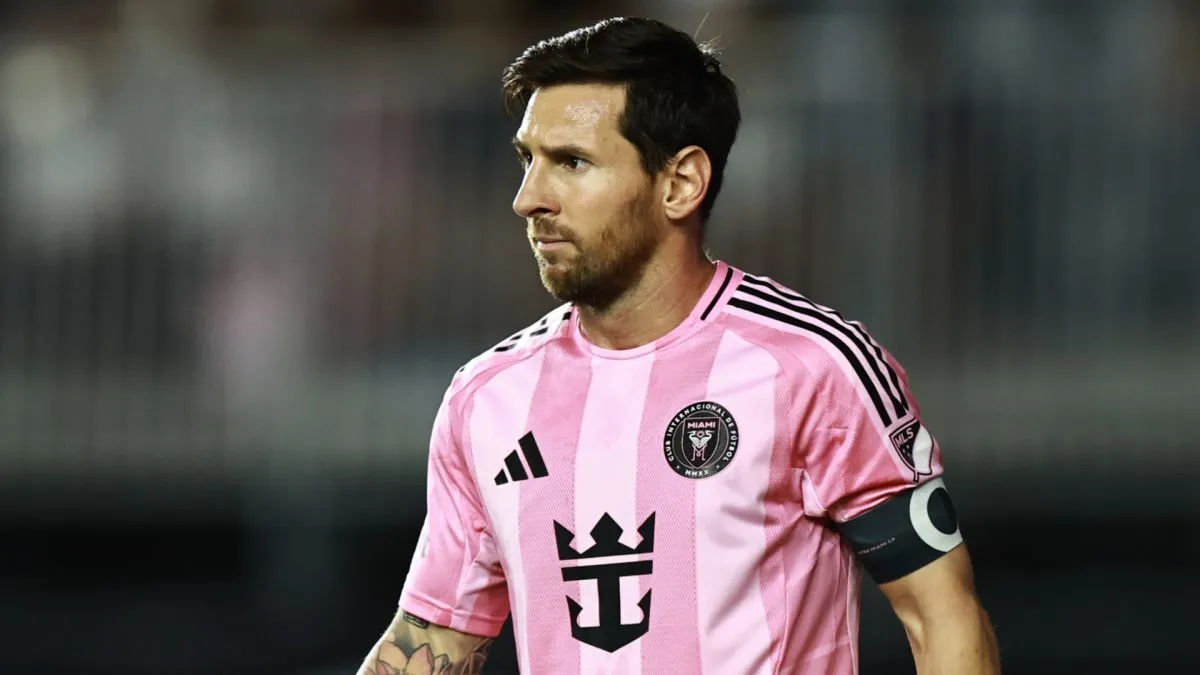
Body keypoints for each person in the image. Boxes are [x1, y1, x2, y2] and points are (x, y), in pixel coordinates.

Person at [358, 16, 1000, 675]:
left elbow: (942, 617)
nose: (529, 198)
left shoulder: (816, 366)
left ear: (680, 183)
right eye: (529, 159)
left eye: (572, 162)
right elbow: (432, 643)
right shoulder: (486, 400)